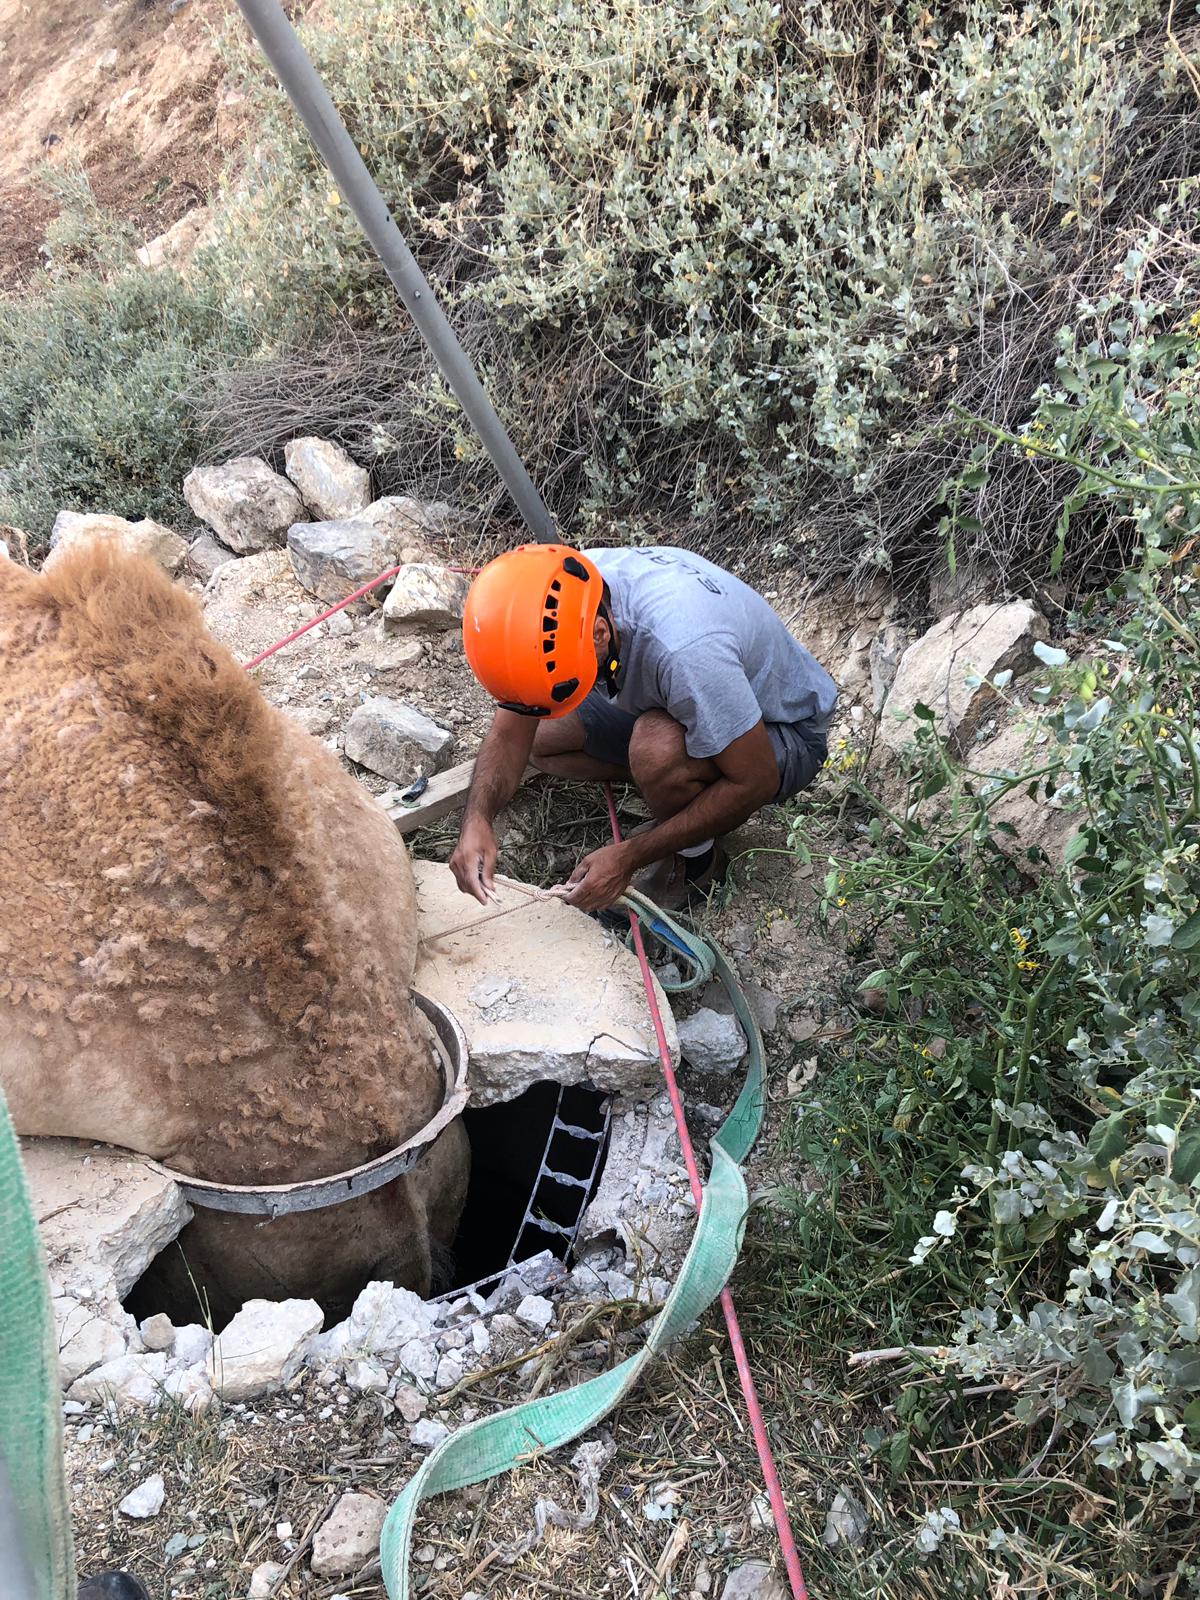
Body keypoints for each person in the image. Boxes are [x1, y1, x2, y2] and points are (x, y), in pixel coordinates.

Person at [450, 543, 836, 912]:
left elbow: (756, 780)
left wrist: (629, 856)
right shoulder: (566, 591)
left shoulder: (686, 651)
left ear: (600, 634)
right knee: (545, 737)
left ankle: (698, 864)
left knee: (654, 751)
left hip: (783, 733)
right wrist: (478, 818)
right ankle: (675, 788)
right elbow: (510, 732)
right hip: (684, 697)